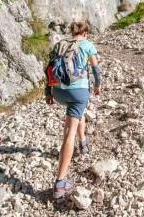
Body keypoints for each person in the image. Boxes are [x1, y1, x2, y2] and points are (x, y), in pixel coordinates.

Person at [45, 20, 101, 199]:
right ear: (85, 33)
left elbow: (48, 69)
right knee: (69, 133)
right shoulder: (87, 44)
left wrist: (48, 92)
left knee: (78, 112)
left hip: (58, 91)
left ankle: (83, 142)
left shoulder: (60, 44)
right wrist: (98, 86)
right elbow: (95, 69)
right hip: (78, 91)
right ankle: (60, 183)